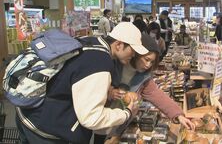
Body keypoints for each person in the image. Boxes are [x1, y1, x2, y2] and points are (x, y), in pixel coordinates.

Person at [16, 22, 148, 144]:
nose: (134, 55)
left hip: (29, 112)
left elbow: (73, 77)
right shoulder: (100, 62)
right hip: (45, 127)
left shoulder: (90, 41)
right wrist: (126, 113)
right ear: (119, 44)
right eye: (133, 50)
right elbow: (92, 118)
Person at [94, 34, 195, 143]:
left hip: (120, 125)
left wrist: (178, 115)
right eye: (146, 59)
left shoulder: (144, 77)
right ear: (136, 54)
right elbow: (94, 87)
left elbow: (157, 95)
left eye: (152, 62)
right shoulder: (113, 64)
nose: (148, 65)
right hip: (99, 121)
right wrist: (109, 92)